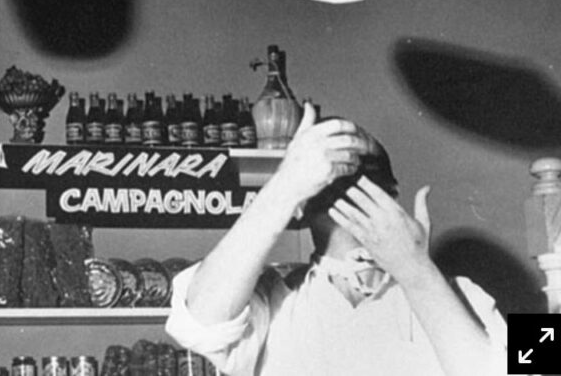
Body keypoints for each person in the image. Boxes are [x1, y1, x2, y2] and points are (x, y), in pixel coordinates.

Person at [165, 102, 508, 376]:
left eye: (366, 172)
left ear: (392, 194)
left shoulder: (462, 293)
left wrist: (417, 272)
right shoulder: (272, 301)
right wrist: (285, 186)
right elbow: (196, 324)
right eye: (328, 173)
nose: (352, 184)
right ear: (300, 205)